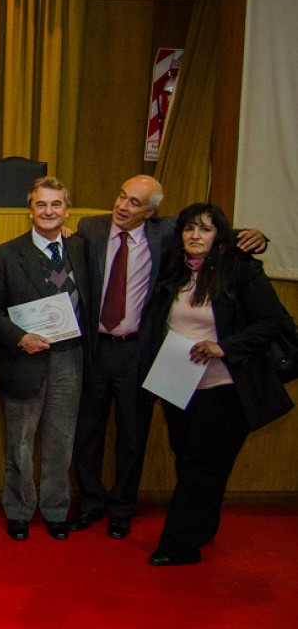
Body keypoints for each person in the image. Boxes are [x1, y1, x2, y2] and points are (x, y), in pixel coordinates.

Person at [70, 176, 267, 539]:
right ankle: (90, 503)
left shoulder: (166, 232)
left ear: (151, 211)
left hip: (138, 352)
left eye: (134, 203)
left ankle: (122, 508)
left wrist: (255, 235)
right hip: (96, 349)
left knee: (133, 434)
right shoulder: (91, 227)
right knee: (88, 432)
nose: (123, 206)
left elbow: (209, 229)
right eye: (121, 196)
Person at [144, 204, 292, 566]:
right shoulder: (175, 268)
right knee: (187, 458)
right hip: (178, 382)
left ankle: (177, 546)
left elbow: (273, 322)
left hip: (225, 386)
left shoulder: (241, 269)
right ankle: (202, 528)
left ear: (219, 237)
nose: (195, 235)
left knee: (202, 467)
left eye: (206, 230)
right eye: (189, 229)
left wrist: (223, 347)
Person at [0, 177, 91, 542]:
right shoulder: (6, 254)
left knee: (62, 441)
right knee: (20, 444)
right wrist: (20, 338)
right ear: (30, 210)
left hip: (69, 361)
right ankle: (19, 509)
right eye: (41, 205)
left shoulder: (81, 249)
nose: (48, 211)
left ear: (66, 210)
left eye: (56, 205)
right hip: (23, 361)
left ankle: (57, 509)